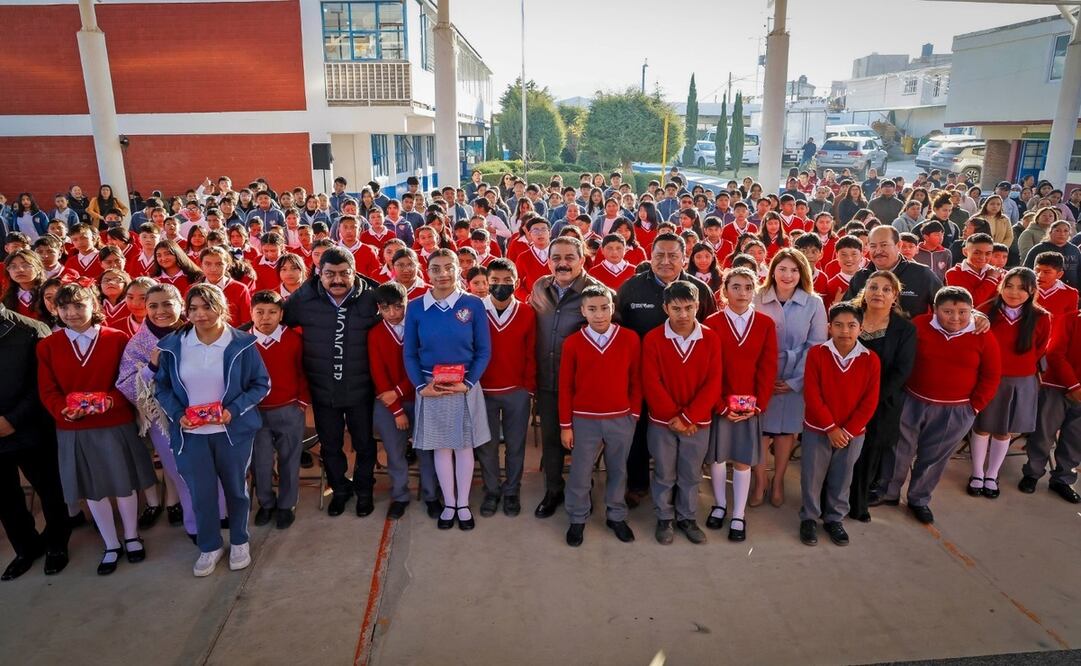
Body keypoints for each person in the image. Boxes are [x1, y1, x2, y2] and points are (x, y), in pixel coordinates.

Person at [38, 282, 156, 575]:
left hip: (114, 422)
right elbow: (47, 389)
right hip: (73, 427)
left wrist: (111, 402)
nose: (72, 312)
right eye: (64, 307)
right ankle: (110, 543)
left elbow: (130, 379)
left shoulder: (116, 338)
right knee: (92, 488)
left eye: (79, 305)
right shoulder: (47, 345)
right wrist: (62, 411)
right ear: (56, 310)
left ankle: (131, 536)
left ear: (94, 305)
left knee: (123, 482)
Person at [154, 283, 270, 576]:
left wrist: (232, 411)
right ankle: (209, 546)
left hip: (232, 432)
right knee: (200, 493)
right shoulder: (174, 344)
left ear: (222, 308)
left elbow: (260, 384)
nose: (200, 314)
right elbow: (163, 387)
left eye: (207, 307)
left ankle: (240, 540)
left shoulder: (241, 343)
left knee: (236, 490)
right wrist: (179, 414)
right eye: (193, 308)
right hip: (191, 435)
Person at [882, 287, 1002, 524]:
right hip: (912, 400)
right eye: (947, 311)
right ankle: (889, 492)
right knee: (898, 450)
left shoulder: (982, 334)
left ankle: (919, 498)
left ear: (972, 311)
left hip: (956, 410)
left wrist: (973, 407)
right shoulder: (919, 325)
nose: (955, 317)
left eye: (962, 312)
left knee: (934, 457)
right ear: (935, 310)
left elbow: (991, 374)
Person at [617, 233, 717, 505]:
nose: (665, 261)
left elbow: (711, 332)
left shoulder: (700, 290)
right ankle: (638, 484)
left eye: (673, 255)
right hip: (643, 379)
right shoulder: (631, 289)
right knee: (639, 434)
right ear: (650, 255)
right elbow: (619, 331)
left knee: (683, 433)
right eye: (659, 255)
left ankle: (680, 490)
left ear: (684, 257)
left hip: (687, 381)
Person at [283, 247, 380, 517]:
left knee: (364, 444)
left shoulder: (372, 297)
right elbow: (271, 322)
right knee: (331, 445)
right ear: (319, 273)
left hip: (361, 389)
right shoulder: (303, 299)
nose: (337, 280)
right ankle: (339, 490)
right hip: (323, 389)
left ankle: (364, 491)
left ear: (354, 272)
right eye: (330, 274)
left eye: (343, 274)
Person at [404, 249, 491, 531]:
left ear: (459, 269)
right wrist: (421, 386)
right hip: (432, 386)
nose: (442, 274)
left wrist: (468, 382)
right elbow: (410, 354)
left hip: (464, 385)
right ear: (426, 272)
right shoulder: (416, 306)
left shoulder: (473, 305)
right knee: (442, 447)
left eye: (448, 267)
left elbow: (483, 350)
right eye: (436, 268)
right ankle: (449, 502)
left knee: (464, 446)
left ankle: (463, 503)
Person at [530, 236, 607, 519]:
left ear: (582, 259)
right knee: (551, 439)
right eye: (556, 258)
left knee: (583, 442)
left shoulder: (597, 292)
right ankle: (553, 491)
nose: (562, 264)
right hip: (549, 382)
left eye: (569, 257)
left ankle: (582, 492)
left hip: (583, 386)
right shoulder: (540, 287)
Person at [559, 285, 640, 547]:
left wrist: (634, 414)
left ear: (612, 308)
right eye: (592, 309)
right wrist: (565, 425)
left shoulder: (629, 339)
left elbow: (636, 380)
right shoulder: (573, 343)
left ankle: (616, 515)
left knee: (618, 469)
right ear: (583, 311)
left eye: (604, 307)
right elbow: (565, 386)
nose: (599, 314)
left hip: (621, 417)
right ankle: (578, 517)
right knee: (581, 470)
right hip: (584, 418)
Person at [642, 281, 721, 545]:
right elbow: (651, 382)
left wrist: (688, 418)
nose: (683, 314)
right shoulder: (653, 338)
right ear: (666, 308)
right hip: (662, 422)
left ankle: (687, 517)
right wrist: (673, 416)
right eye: (676, 308)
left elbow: (713, 382)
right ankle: (664, 517)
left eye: (689, 307)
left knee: (691, 473)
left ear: (698, 306)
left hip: (698, 423)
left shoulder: (710, 338)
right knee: (664, 472)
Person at [702, 268, 777, 542]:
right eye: (735, 287)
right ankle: (720, 504)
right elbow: (708, 369)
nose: (742, 293)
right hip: (720, 403)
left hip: (749, 405)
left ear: (754, 290)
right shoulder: (712, 322)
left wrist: (758, 405)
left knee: (744, 459)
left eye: (748, 287)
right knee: (719, 458)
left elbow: (767, 369)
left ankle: (739, 514)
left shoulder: (765, 324)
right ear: (725, 291)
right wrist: (720, 405)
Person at [798, 302, 880, 547]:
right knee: (812, 475)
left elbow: (869, 401)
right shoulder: (817, 354)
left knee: (843, 476)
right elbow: (812, 394)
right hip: (818, 428)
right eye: (839, 325)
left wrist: (846, 431)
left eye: (851, 325)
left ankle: (835, 518)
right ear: (828, 328)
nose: (845, 331)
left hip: (852, 433)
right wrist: (830, 428)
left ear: (861, 328)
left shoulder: (870, 359)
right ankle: (810, 517)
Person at [0, 300, 71, 580]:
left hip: (30, 428)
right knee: (5, 498)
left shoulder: (29, 329)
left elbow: (43, 383)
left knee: (49, 488)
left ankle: (57, 543)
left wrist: (13, 420)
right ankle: (25, 548)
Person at [751, 248, 828, 507]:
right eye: (782, 269)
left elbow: (816, 345)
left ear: (802, 273)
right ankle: (759, 481)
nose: (787, 275)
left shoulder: (814, 302)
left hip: (796, 378)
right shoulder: (757, 297)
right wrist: (763, 379)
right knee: (760, 432)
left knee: (786, 433)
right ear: (772, 271)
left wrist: (796, 381)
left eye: (794, 270)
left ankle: (779, 479)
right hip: (762, 378)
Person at [967, 268, 1049, 499]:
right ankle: (976, 473)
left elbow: (1040, 348)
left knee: (1004, 431)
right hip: (989, 378)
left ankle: (992, 475)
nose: (1014, 292)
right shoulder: (984, 312)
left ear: (1032, 290)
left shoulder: (1041, 317)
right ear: (1001, 286)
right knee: (982, 426)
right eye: (1009, 285)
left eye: (1022, 288)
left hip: (1020, 382)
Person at [367, 282, 439, 520]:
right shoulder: (376, 334)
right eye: (386, 309)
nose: (393, 314)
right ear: (379, 308)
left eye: (398, 307)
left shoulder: (418, 328)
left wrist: (398, 392)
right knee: (395, 452)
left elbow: (420, 366)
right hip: (389, 403)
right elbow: (379, 375)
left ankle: (431, 495)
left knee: (426, 450)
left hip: (420, 395)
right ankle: (399, 495)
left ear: (407, 304)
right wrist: (397, 409)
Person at [847, 271, 916, 520]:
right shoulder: (848, 318)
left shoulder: (904, 329)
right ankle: (832, 499)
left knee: (869, 454)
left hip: (880, 403)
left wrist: (870, 399)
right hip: (843, 400)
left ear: (895, 296)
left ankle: (859, 503)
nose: (879, 293)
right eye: (874, 287)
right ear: (864, 291)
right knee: (840, 453)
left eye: (886, 289)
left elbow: (902, 370)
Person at [476, 259, 535, 518]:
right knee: (486, 445)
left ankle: (512, 490)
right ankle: (491, 490)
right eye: (495, 281)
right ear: (486, 282)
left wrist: (528, 388)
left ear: (516, 282)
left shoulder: (526, 312)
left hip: (516, 391)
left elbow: (532, 352)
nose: (501, 286)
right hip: (483, 391)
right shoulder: (476, 310)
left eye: (507, 281)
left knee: (515, 444)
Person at [250, 290, 309, 530]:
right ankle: (266, 503)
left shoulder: (294, 339)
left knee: (289, 459)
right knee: (261, 462)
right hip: (255, 413)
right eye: (260, 312)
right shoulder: (243, 341)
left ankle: (287, 504)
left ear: (281, 314)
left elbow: (304, 371)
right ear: (251, 313)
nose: (266, 317)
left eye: (272, 312)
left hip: (288, 409)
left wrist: (301, 402)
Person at [1021, 303, 1081, 503]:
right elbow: (1055, 353)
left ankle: (1062, 479)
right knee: (1043, 433)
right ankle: (1032, 473)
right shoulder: (1071, 319)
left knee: (1075, 439)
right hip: (1056, 386)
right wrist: (1074, 386)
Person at [845, 226, 942, 317]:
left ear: (898, 245)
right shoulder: (861, 277)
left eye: (884, 245)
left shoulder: (921, 274)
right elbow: (847, 313)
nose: (878, 251)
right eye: (873, 246)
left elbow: (944, 308)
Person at [1034, 251, 1080, 323]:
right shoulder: (1026, 289)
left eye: (1046, 272)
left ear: (1059, 275)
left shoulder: (1070, 293)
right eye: (1037, 270)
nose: (1040, 275)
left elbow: (1071, 323)